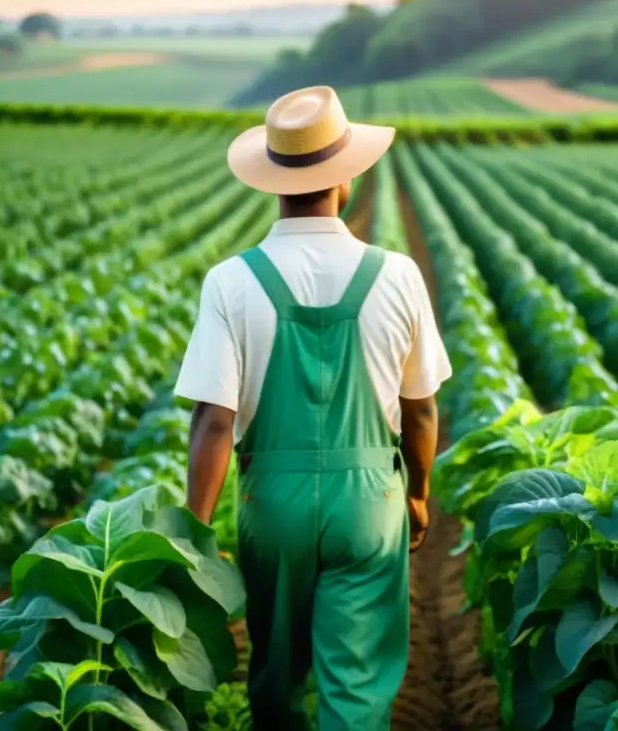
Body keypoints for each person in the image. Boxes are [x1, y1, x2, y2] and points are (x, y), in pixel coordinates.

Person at [174, 85, 452, 730]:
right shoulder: (399, 274)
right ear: (347, 177)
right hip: (369, 501)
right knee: (356, 685)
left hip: (270, 503)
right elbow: (421, 411)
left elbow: (213, 420)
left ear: (273, 182)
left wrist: (195, 531)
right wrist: (417, 494)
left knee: (275, 674)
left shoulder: (232, 279)